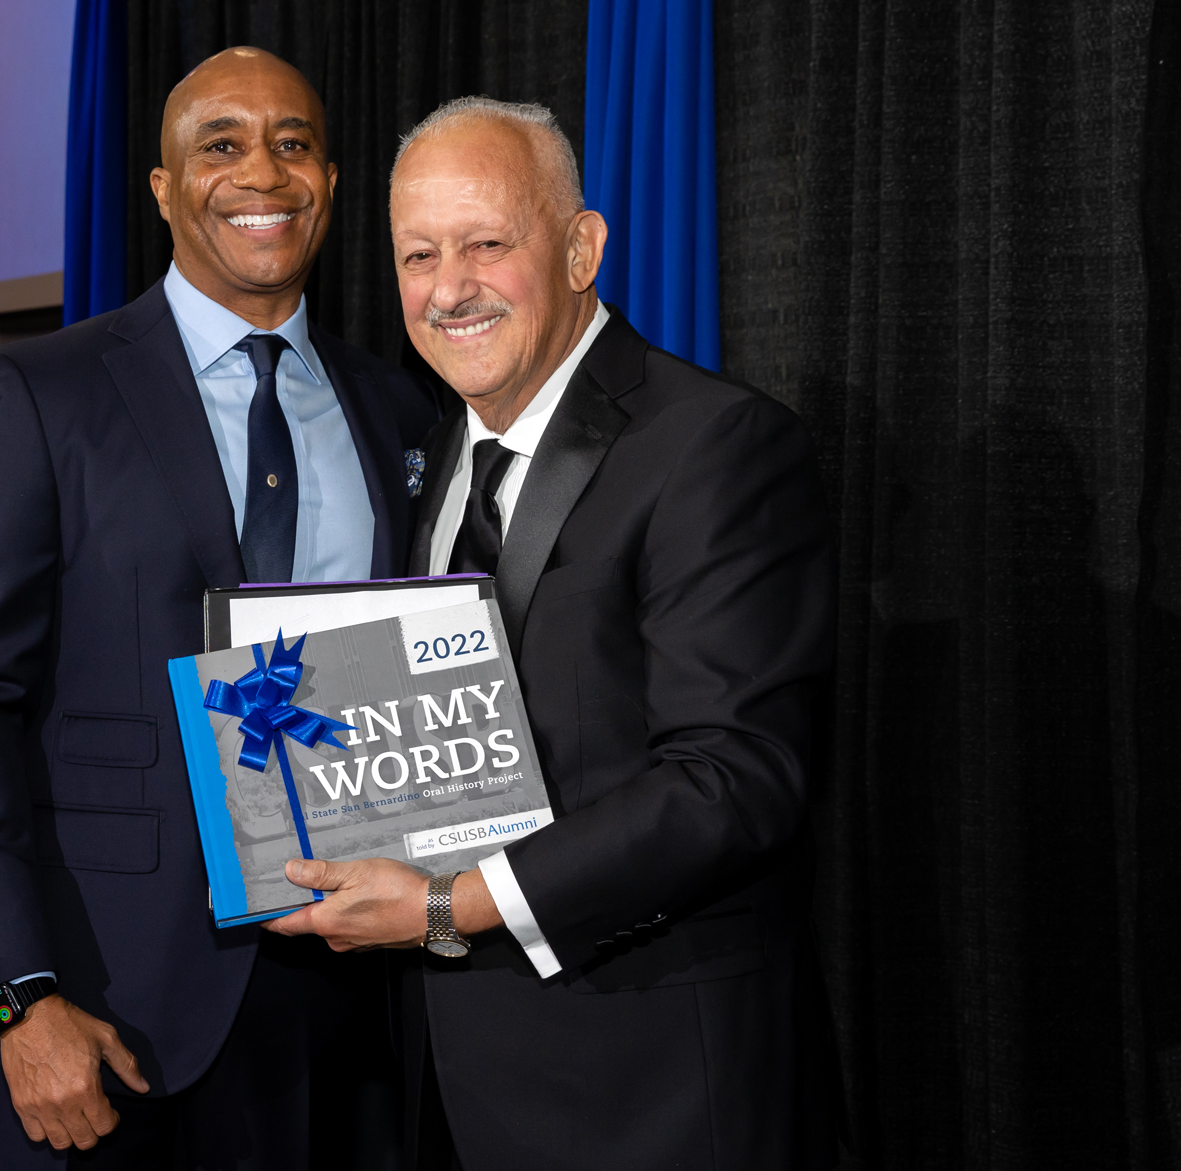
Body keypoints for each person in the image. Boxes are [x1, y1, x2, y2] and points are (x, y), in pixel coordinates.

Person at [267, 97, 838, 1169]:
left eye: (488, 243)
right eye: (418, 254)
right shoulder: (431, 457)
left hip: (648, 1086)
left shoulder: (715, 446)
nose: (449, 288)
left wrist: (448, 904)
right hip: (445, 1081)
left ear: (581, 248)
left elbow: (734, 779)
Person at [0, 47, 439, 1168]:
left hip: (341, 1000)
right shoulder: (36, 395)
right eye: (222, 144)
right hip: (104, 1006)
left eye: (293, 144)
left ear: (332, 184)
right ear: (161, 187)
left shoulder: (394, 405)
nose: (263, 172)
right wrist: (15, 996)